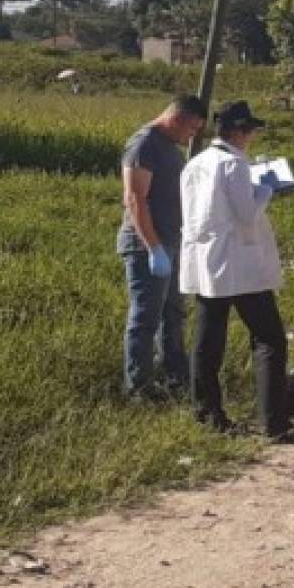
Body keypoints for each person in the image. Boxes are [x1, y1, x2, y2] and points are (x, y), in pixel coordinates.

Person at [179, 101, 292, 441]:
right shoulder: (233, 165)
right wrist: (267, 187)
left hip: (206, 261)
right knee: (270, 339)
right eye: (251, 131)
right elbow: (247, 213)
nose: (252, 138)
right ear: (238, 132)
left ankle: (207, 413)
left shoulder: (194, 164)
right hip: (240, 266)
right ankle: (273, 421)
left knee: (208, 341)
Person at [117, 94, 207, 402]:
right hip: (147, 244)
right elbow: (135, 199)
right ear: (176, 119)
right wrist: (153, 247)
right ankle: (138, 387)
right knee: (145, 317)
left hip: (171, 241)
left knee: (173, 313)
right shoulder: (145, 144)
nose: (191, 136)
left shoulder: (169, 147)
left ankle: (175, 377)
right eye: (191, 129)